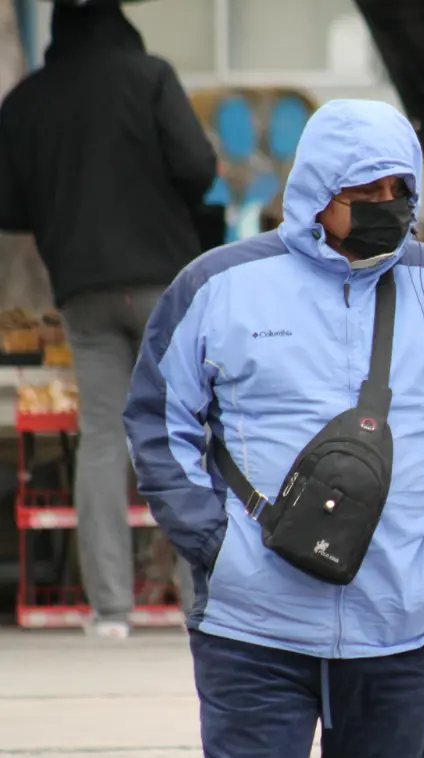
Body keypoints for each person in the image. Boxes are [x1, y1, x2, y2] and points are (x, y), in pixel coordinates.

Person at [122, 99, 424, 758]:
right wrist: (212, 542)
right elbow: (160, 418)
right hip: (253, 626)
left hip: (400, 626)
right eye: (363, 192)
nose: (385, 205)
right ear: (316, 192)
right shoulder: (218, 286)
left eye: (397, 189)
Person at [0, 1, 218, 639]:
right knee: (185, 428)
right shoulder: (149, 76)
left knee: (100, 437)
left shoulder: (27, 101)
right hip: (164, 283)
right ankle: (197, 599)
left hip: (82, 288)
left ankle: (110, 611)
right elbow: (199, 169)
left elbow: (8, 207)